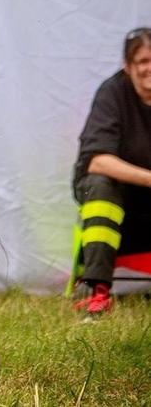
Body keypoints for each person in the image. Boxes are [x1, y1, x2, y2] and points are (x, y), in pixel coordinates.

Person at [71, 27, 151, 317]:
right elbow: (97, 161)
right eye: (143, 61)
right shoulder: (112, 93)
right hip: (120, 198)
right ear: (128, 67)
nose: (149, 68)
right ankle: (97, 291)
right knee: (100, 183)